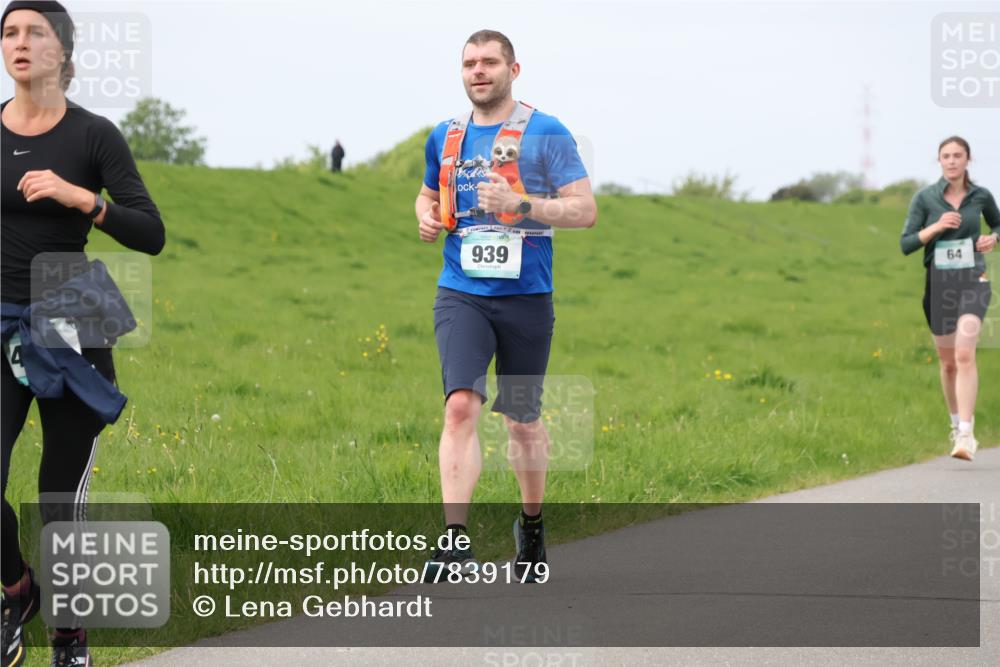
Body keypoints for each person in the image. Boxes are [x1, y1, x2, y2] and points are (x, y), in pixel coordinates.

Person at [0, 2, 165, 665]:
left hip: (71, 324)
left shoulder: (95, 135)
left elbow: (150, 231)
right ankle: (18, 588)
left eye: (34, 32)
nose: (18, 42)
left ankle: (71, 635)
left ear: (63, 52)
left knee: (55, 496)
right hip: (3, 323)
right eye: (9, 32)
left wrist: (84, 199)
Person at [414, 29, 596, 583]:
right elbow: (428, 193)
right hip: (462, 291)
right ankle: (454, 540)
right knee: (460, 407)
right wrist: (423, 214)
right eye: (469, 63)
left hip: (526, 299)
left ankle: (532, 525)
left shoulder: (547, 132)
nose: (478, 71)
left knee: (521, 419)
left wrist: (521, 204)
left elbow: (585, 210)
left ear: (513, 70)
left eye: (490, 62)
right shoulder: (444, 136)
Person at [900, 136, 999, 461]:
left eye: (958, 155)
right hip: (939, 284)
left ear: (968, 159)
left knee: (964, 353)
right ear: (939, 161)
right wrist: (937, 227)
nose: (952, 161)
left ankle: (968, 435)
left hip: (973, 279)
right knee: (947, 363)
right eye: (946, 156)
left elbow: (999, 225)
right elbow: (907, 243)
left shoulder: (981, 196)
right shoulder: (925, 199)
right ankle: (955, 425)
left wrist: (992, 239)